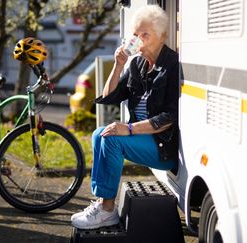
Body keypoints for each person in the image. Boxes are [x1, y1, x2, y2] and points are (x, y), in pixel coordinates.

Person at [71, 5, 179, 229]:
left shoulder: (171, 66)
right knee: (99, 134)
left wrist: (128, 129)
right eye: (135, 35)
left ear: (162, 36)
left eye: (145, 34)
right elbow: (108, 96)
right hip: (143, 138)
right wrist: (118, 66)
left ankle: (107, 209)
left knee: (111, 138)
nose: (138, 39)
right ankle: (103, 203)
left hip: (162, 146)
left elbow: (168, 117)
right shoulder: (137, 64)